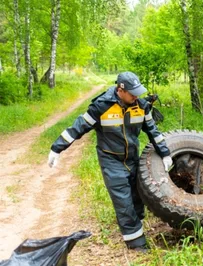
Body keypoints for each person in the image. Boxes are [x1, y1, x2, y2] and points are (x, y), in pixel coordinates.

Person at [47, 71, 173, 252]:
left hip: (132, 158)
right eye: (132, 93)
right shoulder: (101, 106)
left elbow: (153, 131)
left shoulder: (141, 106)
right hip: (110, 159)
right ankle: (137, 244)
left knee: (138, 195)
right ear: (120, 90)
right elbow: (78, 127)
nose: (136, 96)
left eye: (138, 92)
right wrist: (56, 148)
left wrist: (165, 153)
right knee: (123, 200)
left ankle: (135, 224)